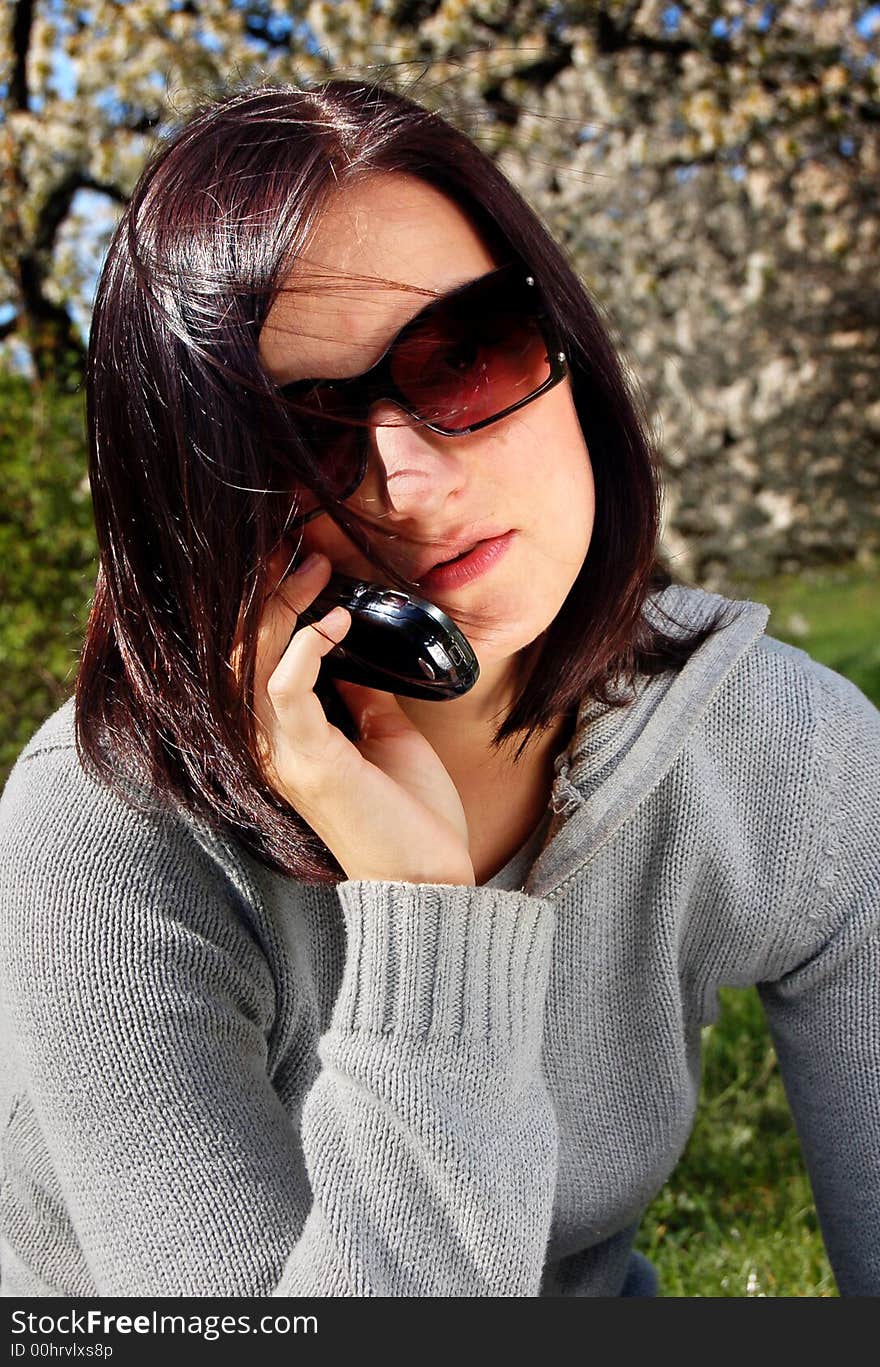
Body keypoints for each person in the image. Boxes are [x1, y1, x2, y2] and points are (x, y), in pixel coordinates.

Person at [0, 79, 877, 1300]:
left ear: (566, 345)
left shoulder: (784, 752)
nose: (409, 482)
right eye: (292, 436)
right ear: (204, 507)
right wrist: (426, 917)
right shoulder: (104, 842)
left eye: (464, 354)